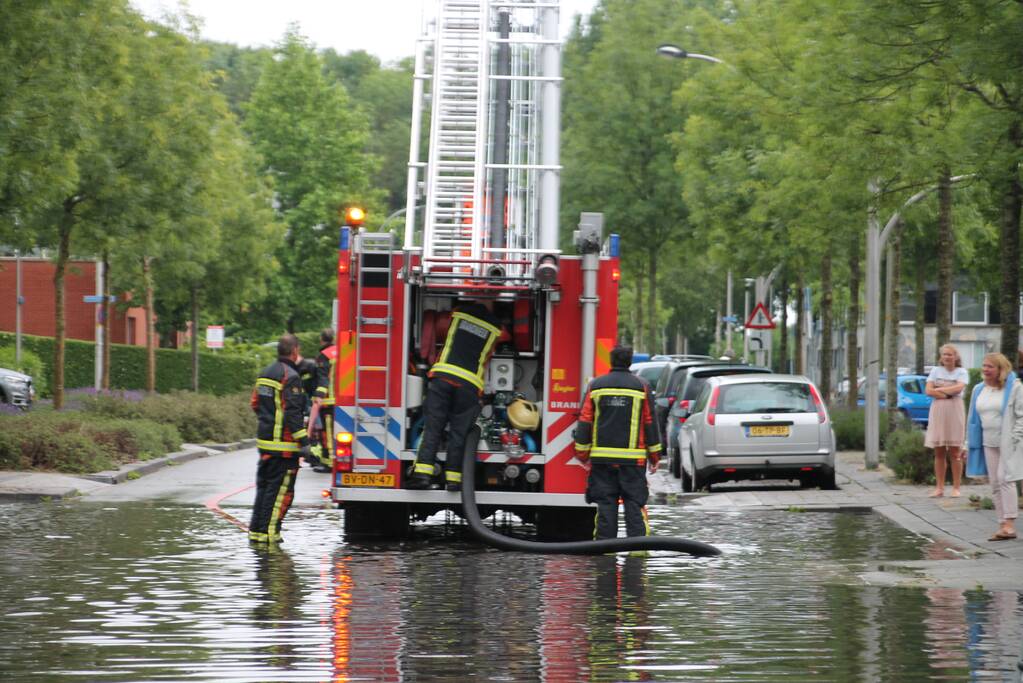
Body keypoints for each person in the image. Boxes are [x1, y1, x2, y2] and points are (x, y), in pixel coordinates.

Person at [408, 299, 508, 491]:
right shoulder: (496, 328)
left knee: (433, 428)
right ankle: (454, 480)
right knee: (459, 434)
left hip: (443, 377)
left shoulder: (458, 313)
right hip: (469, 385)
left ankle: (422, 475)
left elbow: (441, 326)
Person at [573, 345, 662, 539]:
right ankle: (638, 550)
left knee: (606, 505)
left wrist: (582, 455)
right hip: (633, 462)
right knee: (634, 504)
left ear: (611, 361)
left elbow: (585, 420)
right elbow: (649, 422)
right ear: (630, 362)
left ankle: (605, 550)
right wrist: (655, 457)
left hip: (602, 461)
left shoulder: (595, 385)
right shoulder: (642, 386)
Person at [249, 333, 315, 544]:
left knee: (264, 491)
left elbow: (255, 403)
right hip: (284, 449)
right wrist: (304, 442)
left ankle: (257, 533)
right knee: (280, 495)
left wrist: (269, 422)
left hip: (266, 445)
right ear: (295, 351)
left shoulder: (265, 373)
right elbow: (292, 413)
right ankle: (269, 537)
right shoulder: (291, 376)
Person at [966, 352, 1023, 541]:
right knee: (995, 483)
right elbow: (972, 419)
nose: (985, 369)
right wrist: (968, 444)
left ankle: (1010, 525)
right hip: (987, 442)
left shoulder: (1014, 387)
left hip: (1009, 442)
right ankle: (1002, 524)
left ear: (1000, 369)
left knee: (1005, 479)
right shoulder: (978, 389)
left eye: (990, 366)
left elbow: (1021, 415)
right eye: (984, 365)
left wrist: (1015, 437)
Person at [924, 344, 969, 497]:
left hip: (955, 411)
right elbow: (928, 390)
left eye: (950, 354)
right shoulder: (935, 371)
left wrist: (938, 389)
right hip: (938, 411)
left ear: (955, 357)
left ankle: (956, 488)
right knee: (939, 451)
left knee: (955, 451)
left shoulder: (962, 372)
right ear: (941, 357)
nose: (947, 357)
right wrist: (948, 392)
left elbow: (959, 388)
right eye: (944, 354)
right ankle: (939, 488)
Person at [309, 329, 338, 473]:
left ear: (322, 340)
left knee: (328, 434)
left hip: (328, 402)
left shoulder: (324, 356)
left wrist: (318, 397)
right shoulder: (341, 351)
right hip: (343, 401)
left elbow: (323, 379)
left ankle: (330, 463)